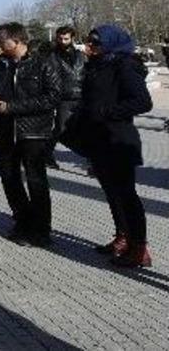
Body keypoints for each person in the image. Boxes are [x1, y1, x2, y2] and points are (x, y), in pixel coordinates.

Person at [76, 24, 153, 267]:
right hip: (99, 139)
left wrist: (109, 112)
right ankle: (122, 237)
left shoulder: (125, 64)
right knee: (112, 193)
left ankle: (139, 247)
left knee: (126, 195)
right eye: (90, 42)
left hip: (119, 139)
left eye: (96, 43)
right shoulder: (98, 65)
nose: (90, 47)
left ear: (110, 43)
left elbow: (142, 101)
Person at [0, 22, 61, 247]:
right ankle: (23, 221)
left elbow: (52, 97)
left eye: (1, 41)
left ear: (17, 41)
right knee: (9, 177)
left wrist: (12, 107)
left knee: (36, 180)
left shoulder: (42, 64)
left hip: (33, 131)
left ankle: (42, 229)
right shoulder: (0, 63)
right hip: (4, 130)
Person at [45, 26, 84, 169]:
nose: (63, 41)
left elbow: (86, 73)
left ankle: (94, 162)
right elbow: (50, 77)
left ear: (72, 38)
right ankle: (47, 154)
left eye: (66, 38)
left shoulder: (81, 55)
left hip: (81, 97)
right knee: (61, 129)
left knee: (88, 129)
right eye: (60, 38)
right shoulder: (52, 55)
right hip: (63, 98)